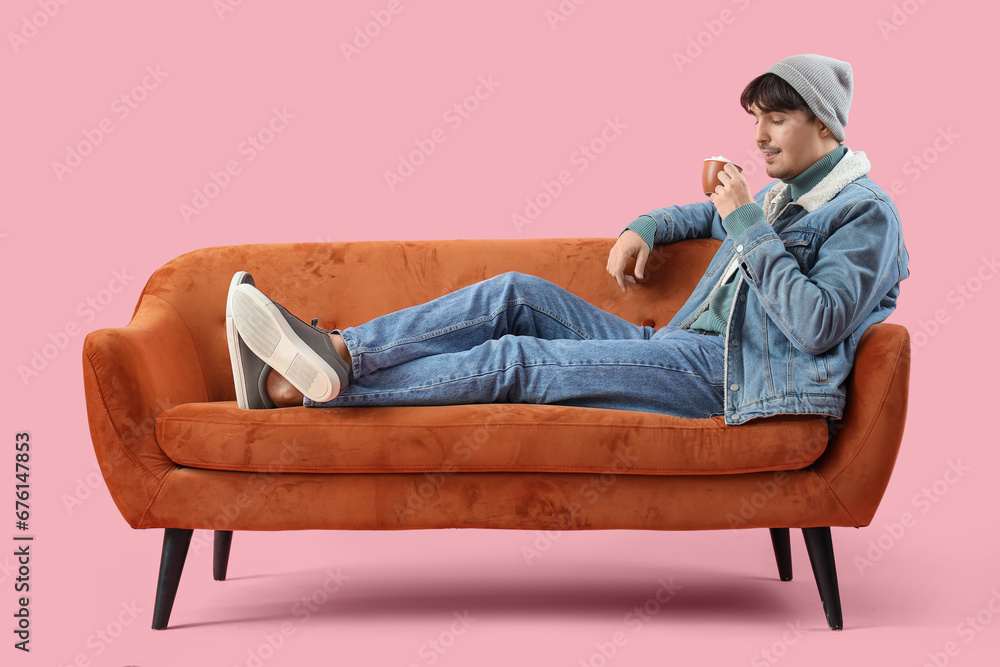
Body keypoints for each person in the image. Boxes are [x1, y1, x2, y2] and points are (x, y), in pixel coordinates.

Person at [227, 54, 909, 425]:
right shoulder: (786, 194)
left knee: (519, 359)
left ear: (825, 126)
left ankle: (306, 388)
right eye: (757, 119)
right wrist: (648, 225)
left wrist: (748, 224)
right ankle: (341, 351)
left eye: (777, 119)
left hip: (727, 378)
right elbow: (706, 216)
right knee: (513, 294)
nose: (759, 137)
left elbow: (817, 324)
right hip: (674, 347)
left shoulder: (864, 214)